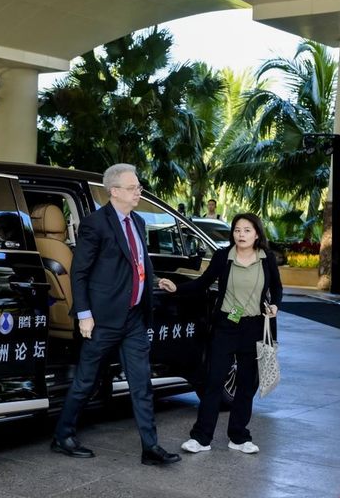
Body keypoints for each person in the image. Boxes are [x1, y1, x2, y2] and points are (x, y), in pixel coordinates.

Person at [52, 163, 181, 466]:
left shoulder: (137, 221)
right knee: (86, 381)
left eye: (138, 187)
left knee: (142, 383)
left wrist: (155, 280)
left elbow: (137, 262)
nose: (138, 192)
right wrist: (84, 314)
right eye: (133, 187)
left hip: (134, 317)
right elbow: (80, 273)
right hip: (103, 319)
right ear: (114, 191)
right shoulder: (95, 224)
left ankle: (150, 447)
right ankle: (63, 435)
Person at [157, 213, 281, 455]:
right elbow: (203, 283)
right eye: (237, 230)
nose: (241, 235)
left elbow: (276, 287)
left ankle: (239, 436)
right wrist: (176, 288)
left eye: (247, 230)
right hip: (226, 325)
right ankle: (201, 438)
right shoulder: (224, 256)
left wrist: (275, 305)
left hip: (254, 326)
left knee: (246, 384)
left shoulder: (267, 258)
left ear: (257, 233)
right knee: (214, 381)